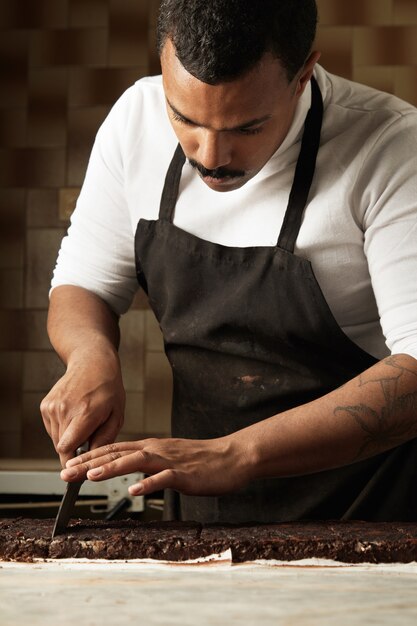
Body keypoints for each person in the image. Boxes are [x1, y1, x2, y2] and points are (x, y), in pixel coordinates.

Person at [41, 0, 417, 523]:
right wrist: (90, 357)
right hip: (202, 523)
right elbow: (84, 284)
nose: (210, 156)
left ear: (304, 73)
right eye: (185, 118)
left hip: (370, 519)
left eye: (247, 127)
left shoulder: (391, 146)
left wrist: (233, 453)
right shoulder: (135, 119)